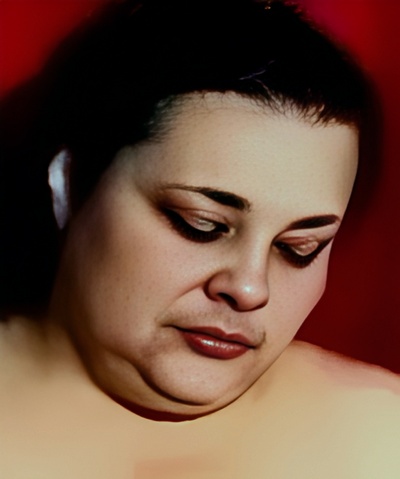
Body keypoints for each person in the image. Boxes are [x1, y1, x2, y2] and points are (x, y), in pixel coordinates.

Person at [0, 0, 399, 477]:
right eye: (200, 224)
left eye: (299, 249)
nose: (249, 288)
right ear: (67, 185)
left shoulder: (380, 437)